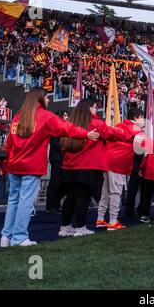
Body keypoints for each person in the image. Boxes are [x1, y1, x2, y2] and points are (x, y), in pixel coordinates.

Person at [0, 88, 99, 247]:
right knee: (25, 201)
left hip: (14, 165)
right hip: (30, 166)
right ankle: (19, 237)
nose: (49, 100)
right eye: (47, 97)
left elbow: (9, 144)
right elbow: (67, 128)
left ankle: (6, 237)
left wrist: (10, 160)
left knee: (13, 201)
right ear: (40, 99)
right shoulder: (45, 116)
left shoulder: (18, 116)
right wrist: (85, 134)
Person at [58, 99, 130, 237]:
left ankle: (65, 227)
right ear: (89, 109)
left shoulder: (71, 123)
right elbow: (113, 134)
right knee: (83, 197)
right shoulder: (96, 124)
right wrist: (125, 133)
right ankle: (80, 227)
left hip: (68, 166)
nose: (96, 110)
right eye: (95, 107)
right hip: (87, 165)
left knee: (71, 197)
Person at [96, 107, 144, 230]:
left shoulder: (120, 125)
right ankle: (113, 220)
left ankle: (101, 218)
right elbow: (142, 147)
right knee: (116, 191)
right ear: (136, 118)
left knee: (105, 191)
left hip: (108, 160)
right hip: (118, 162)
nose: (143, 120)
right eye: (141, 117)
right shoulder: (135, 129)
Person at [46, 111, 69, 212]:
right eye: (65, 115)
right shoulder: (55, 128)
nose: (67, 117)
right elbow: (55, 144)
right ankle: (50, 205)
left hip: (61, 158)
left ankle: (56, 204)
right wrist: (65, 149)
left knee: (60, 182)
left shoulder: (63, 128)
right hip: (56, 158)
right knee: (55, 181)